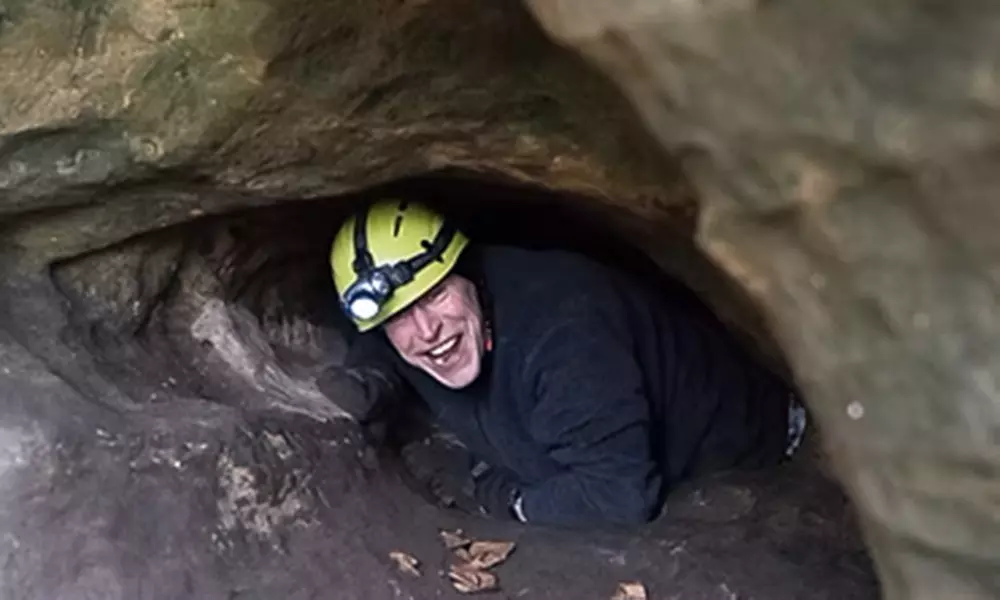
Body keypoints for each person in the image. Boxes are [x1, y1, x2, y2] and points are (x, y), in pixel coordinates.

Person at [321, 198, 807, 528]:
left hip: (753, 451)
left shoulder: (563, 334)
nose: (427, 330)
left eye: (436, 295)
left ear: (466, 270)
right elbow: (370, 332)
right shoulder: (404, 331)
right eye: (399, 316)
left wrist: (505, 499)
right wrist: (370, 380)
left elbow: (617, 498)